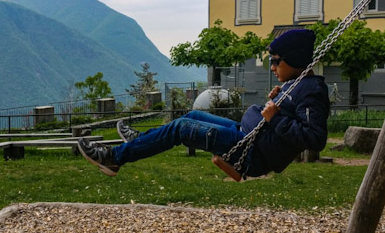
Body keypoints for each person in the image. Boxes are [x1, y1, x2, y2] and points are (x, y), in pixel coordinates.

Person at [77, 29, 330, 178]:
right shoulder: (297, 84)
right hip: (243, 135)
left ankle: (114, 158)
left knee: (181, 129)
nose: (272, 67)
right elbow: (288, 118)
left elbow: (314, 138)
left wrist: (276, 116)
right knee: (192, 116)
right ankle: (140, 141)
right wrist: (278, 100)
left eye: (276, 61)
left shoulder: (311, 91)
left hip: (249, 153)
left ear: (295, 60)